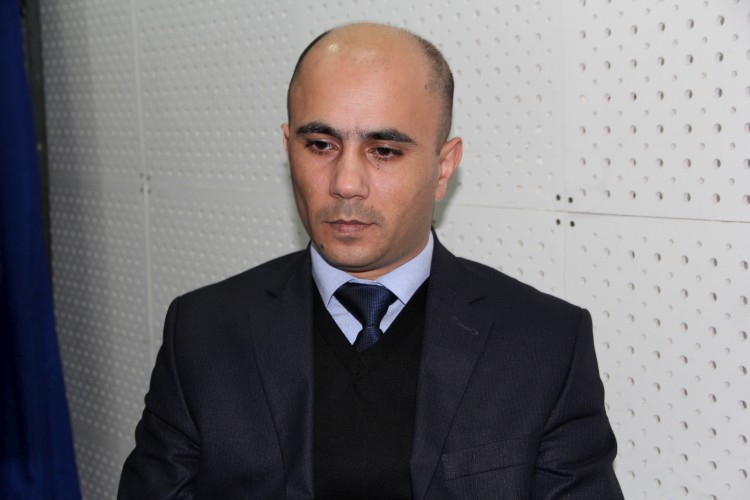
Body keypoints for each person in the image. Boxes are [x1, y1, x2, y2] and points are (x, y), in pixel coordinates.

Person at [118, 22, 624, 499]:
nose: (346, 183)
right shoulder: (202, 332)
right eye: (321, 145)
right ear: (288, 148)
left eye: (384, 151)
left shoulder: (545, 344)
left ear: (443, 166)